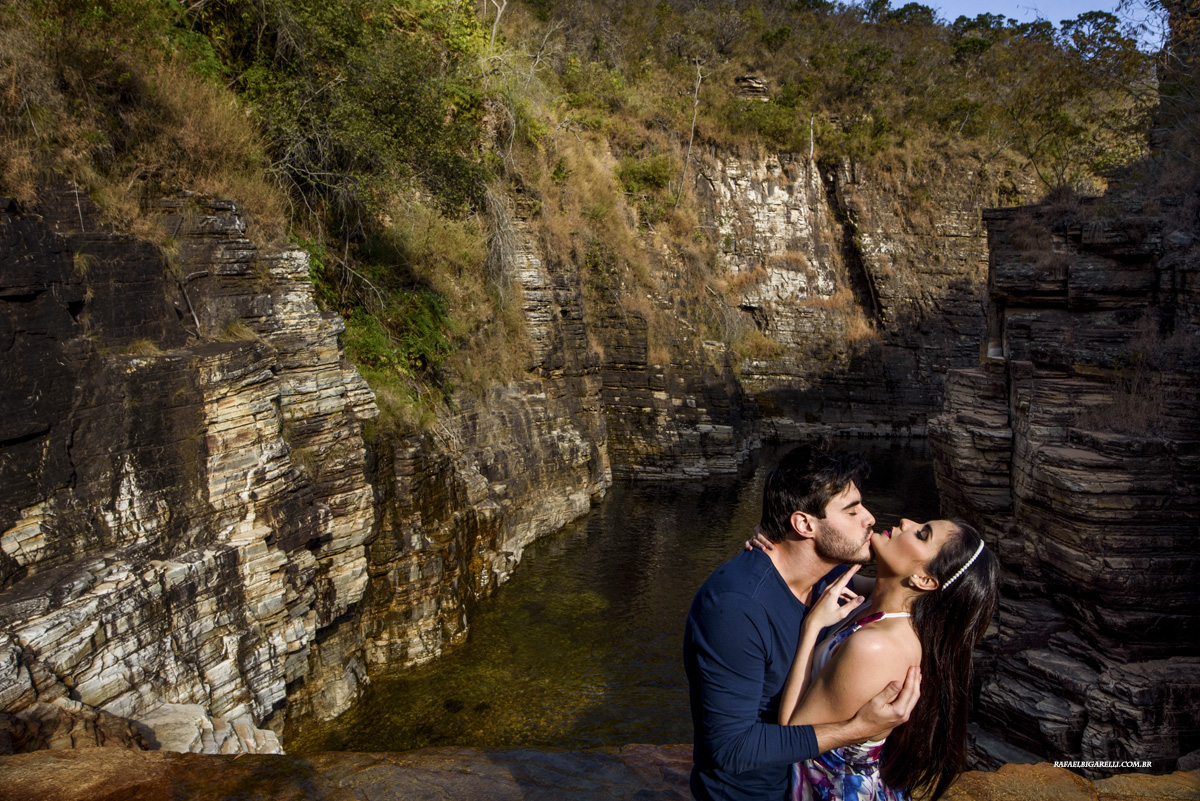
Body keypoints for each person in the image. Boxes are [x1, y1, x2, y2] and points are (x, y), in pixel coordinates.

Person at [683, 443, 922, 801]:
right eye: (852, 511)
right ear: (804, 524)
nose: (870, 518)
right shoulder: (736, 609)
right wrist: (855, 729)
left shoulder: (827, 576)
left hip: (810, 784)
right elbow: (732, 748)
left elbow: (895, 592)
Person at [753, 516, 998, 801]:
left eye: (921, 534)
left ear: (923, 580)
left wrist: (812, 627)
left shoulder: (877, 646)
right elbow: (817, 571)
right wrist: (774, 541)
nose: (906, 521)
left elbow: (791, 736)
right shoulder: (879, 599)